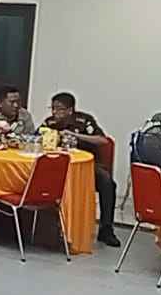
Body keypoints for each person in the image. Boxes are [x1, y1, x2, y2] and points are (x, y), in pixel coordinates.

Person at [43, 92, 121, 247]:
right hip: (59, 167)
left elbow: (102, 140)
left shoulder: (84, 121)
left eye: (59, 109)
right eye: (53, 108)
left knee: (107, 182)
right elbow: (36, 138)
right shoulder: (50, 123)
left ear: (70, 110)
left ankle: (106, 229)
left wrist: (75, 135)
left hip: (87, 166)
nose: (55, 112)